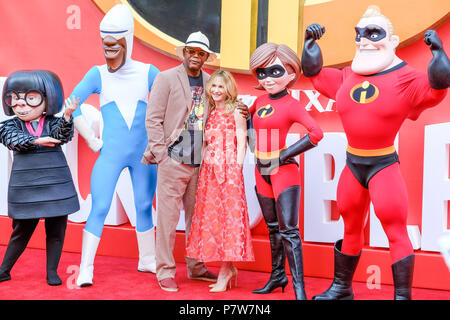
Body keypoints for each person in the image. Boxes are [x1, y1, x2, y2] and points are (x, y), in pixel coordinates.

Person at [301, 5, 449, 300]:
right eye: (359, 34)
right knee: (350, 225)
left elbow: (437, 86)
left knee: (395, 231)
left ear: (392, 41)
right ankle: (342, 288)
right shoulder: (347, 76)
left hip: (383, 166)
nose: (364, 40)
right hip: (352, 164)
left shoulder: (406, 78)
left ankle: (402, 296)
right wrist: (309, 44)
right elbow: (314, 73)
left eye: (373, 33)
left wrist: (438, 54)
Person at [69, 4, 159, 287]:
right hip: (110, 153)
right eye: (105, 44)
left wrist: (160, 142)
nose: (109, 50)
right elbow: (71, 105)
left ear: (128, 39)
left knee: (145, 204)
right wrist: (91, 138)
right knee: (100, 206)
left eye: (115, 44)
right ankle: (86, 267)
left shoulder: (148, 72)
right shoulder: (98, 74)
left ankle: (148, 259)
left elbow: (169, 105)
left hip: (143, 154)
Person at [248, 43, 324, 300]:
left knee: (289, 231)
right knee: (272, 228)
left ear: (291, 73)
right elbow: (245, 122)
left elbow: (316, 133)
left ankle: (299, 290)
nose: (267, 78)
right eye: (262, 72)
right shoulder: (258, 101)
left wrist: (283, 154)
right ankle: (277, 276)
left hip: (283, 170)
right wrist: (251, 144)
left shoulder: (292, 105)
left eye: (275, 71)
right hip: (261, 168)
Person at [0, 70, 79, 286]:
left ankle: (52, 272)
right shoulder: (9, 125)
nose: (20, 104)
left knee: (56, 230)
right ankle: (4, 270)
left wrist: (68, 115)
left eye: (30, 97)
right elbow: (12, 139)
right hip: (26, 187)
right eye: (14, 98)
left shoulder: (54, 122)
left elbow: (63, 135)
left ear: (48, 98)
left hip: (56, 183)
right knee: (21, 231)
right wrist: (37, 141)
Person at [186, 70, 254, 292]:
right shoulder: (211, 111)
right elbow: (206, 143)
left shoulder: (236, 111)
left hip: (229, 172)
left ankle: (226, 271)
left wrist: (236, 170)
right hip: (209, 173)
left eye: (220, 87)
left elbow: (242, 142)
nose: (216, 90)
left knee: (230, 221)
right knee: (216, 220)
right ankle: (228, 268)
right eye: (213, 86)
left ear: (229, 89)